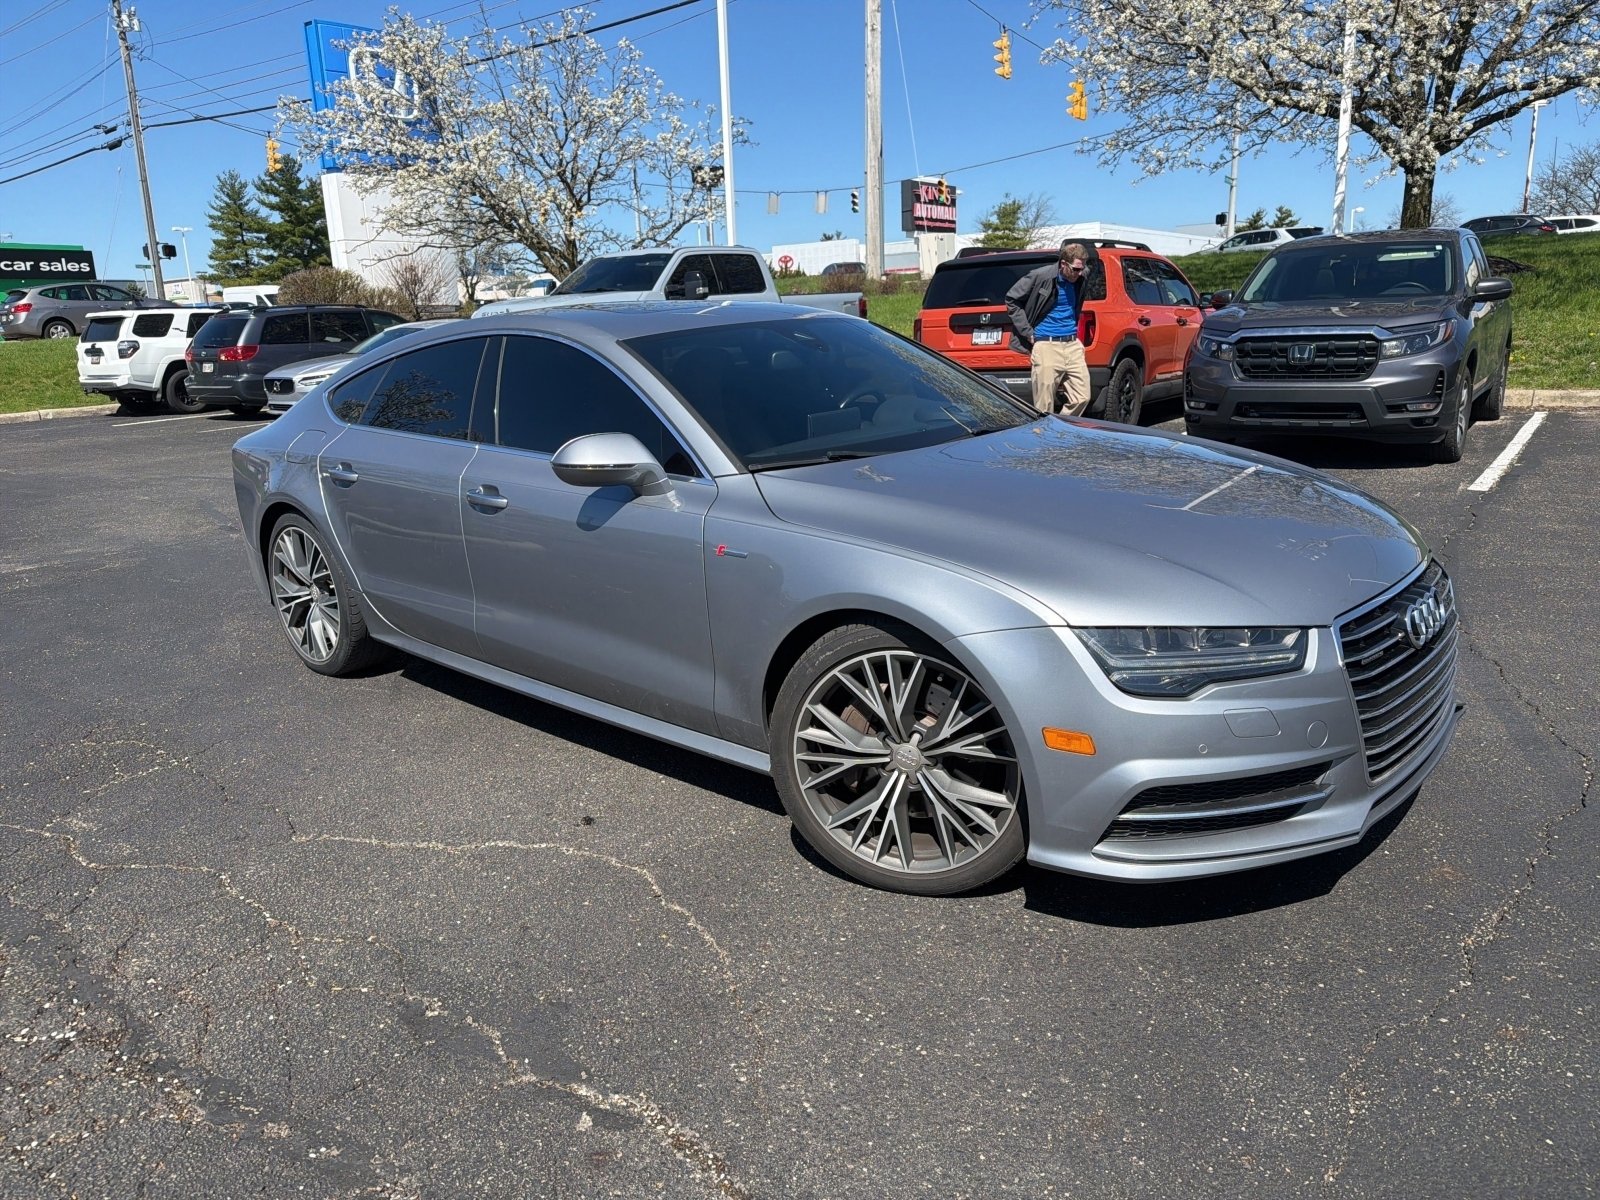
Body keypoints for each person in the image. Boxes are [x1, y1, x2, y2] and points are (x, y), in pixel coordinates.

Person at [1004, 241, 1092, 416]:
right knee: (1044, 406)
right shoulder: (1040, 277)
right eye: (1075, 269)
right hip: (1046, 344)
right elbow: (1011, 299)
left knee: (1082, 397)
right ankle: (1043, 439)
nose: (1079, 273)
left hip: (1072, 344)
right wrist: (1027, 332)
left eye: (1082, 269)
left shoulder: (1082, 276)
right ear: (1063, 264)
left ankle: (1059, 429)